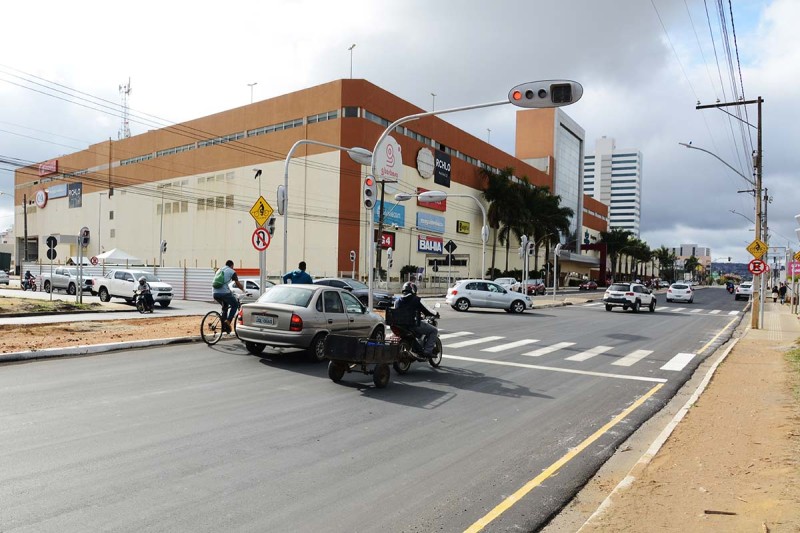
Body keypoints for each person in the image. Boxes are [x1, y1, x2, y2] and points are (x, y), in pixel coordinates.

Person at [394, 281, 439, 358]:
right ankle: (427, 351)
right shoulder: (417, 299)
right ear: (413, 290)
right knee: (434, 331)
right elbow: (428, 310)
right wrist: (436, 314)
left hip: (400, 326)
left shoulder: (397, 301)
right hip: (413, 325)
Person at [212, 260, 245, 333]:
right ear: (232, 265)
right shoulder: (232, 271)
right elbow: (237, 284)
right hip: (224, 293)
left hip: (215, 293)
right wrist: (243, 290)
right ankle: (228, 321)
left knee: (225, 308)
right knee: (235, 305)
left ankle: (224, 328)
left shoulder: (220, 270)